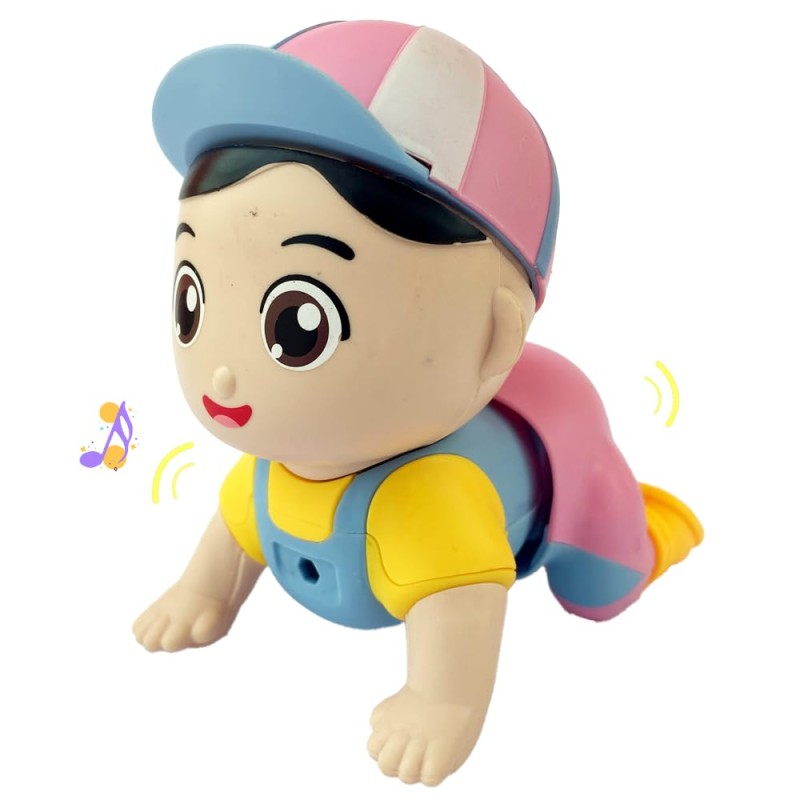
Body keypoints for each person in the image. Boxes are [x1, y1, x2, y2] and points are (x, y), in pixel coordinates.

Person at [133, 20, 703, 786]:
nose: (224, 376)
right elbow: (238, 528)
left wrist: (442, 701)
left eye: (297, 325)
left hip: (574, 477)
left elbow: (463, 604)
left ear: (495, 338)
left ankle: (657, 529)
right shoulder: (271, 464)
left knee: (604, 590)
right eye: (193, 300)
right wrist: (202, 591)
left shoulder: (430, 506)